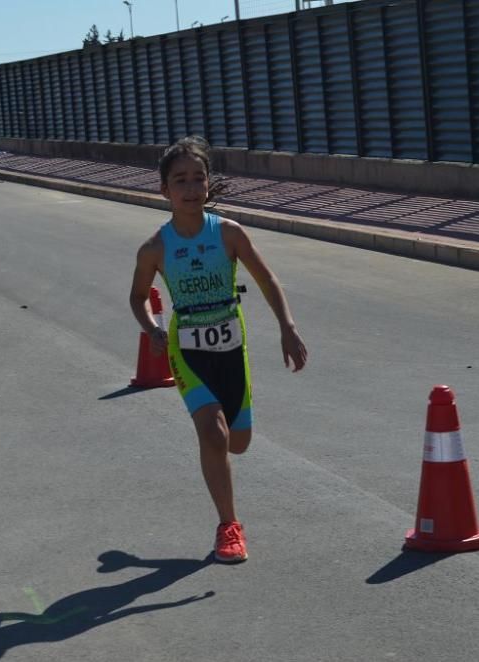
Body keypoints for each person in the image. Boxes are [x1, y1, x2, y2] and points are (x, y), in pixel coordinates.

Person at [129, 136, 307, 564]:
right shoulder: (155, 247)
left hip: (231, 348)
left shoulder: (228, 233)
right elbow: (138, 298)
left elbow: (267, 279)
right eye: (180, 181)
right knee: (213, 433)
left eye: (198, 178)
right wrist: (152, 328)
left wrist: (287, 326)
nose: (190, 189)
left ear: (208, 183)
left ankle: (222, 452)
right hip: (188, 352)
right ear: (164, 190)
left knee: (238, 443)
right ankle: (229, 526)